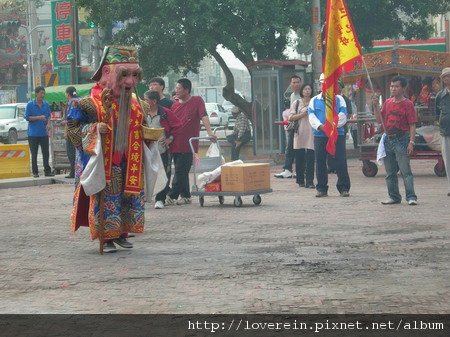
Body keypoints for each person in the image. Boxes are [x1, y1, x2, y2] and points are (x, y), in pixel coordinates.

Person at [67, 45, 160, 253]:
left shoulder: (140, 105)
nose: (130, 81)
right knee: (107, 197)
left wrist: (149, 136)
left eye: (135, 75)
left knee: (129, 197)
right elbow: (72, 130)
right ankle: (106, 237)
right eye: (124, 74)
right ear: (107, 72)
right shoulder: (87, 104)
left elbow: (143, 129)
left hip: (130, 161)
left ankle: (122, 233)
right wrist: (92, 129)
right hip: (105, 162)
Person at [165, 78, 216, 205]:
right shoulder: (175, 105)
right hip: (174, 142)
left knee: (180, 170)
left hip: (188, 144)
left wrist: (210, 133)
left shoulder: (197, 100)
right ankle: (186, 195)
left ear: (186, 90)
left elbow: (203, 116)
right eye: (176, 88)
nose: (176, 90)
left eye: (178, 88)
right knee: (181, 170)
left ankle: (171, 196)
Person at [374, 75, 418, 206]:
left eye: (396, 86)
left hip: (402, 139)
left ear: (403, 88)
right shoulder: (387, 103)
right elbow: (379, 120)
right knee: (390, 172)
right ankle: (393, 196)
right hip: (388, 139)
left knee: (406, 171)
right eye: (392, 86)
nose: (393, 88)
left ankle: (411, 196)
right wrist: (376, 107)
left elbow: (412, 124)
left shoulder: (408, 104)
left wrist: (411, 142)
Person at [308, 74, 350, 198]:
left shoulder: (339, 99)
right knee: (320, 161)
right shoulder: (314, 100)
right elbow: (311, 116)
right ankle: (321, 188)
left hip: (337, 134)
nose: (326, 86)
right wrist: (322, 127)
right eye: (323, 83)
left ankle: (343, 187)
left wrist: (332, 127)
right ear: (320, 85)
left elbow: (343, 115)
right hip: (320, 135)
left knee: (340, 160)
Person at [143, 90, 182, 209]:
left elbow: (178, 126)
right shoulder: (141, 112)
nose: (144, 102)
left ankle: (160, 199)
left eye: (146, 100)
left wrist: (170, 139)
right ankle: (145, 196)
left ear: (153, 101)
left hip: (161, 149)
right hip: (145, 148)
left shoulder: (165, 113)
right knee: (146, 173)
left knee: (164, 172)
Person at [275, 75, 302, 178]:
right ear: (291, 84)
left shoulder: (302, 95)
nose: (296, 84)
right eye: (294, 82)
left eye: (297, 82)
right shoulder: (292, 96)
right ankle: (287, 169)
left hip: (301, 126)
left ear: (301, 83)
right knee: (290, 148)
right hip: (293, 126)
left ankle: (301, 170)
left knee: (300, 149)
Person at [24, 86, 54, 178]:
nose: (42, 95)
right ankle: (35, 172)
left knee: (46, 153)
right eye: (41, 93)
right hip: (33, 134)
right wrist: (38, 117)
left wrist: (48, 124)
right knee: (34, 154)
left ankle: (47, 171)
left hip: (44, 133)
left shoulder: (46, 104)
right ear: (36, 93)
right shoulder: (30, 105)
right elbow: (27, 118)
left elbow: (48, 116)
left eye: (43, 93)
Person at [290, 83, 315, 188]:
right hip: (299, 132)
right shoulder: (296, 103)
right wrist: (303, 114)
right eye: (305, 89)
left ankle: (310, 181)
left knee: (310, 158)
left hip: (311, 132)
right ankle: (300, 180)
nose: (307, 91)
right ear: (302, 91)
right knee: (299, 157)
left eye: (309, 89)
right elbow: (290, 117)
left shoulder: (314, 102)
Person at [435, 67, 450, 196]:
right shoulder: (440, 95)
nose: (447, 79)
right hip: (445, 131)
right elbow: (436, 112)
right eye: (445, 77)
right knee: (448, 160)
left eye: (449, 76)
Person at [62, 86, 78, 178]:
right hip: (80, 131)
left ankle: (73, 172)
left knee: (71, 152)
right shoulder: (80, 99)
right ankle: (77, 171)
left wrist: (66, 130)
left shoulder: (71, 102)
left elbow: (70, 118)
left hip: (72, 131)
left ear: (68, 94)